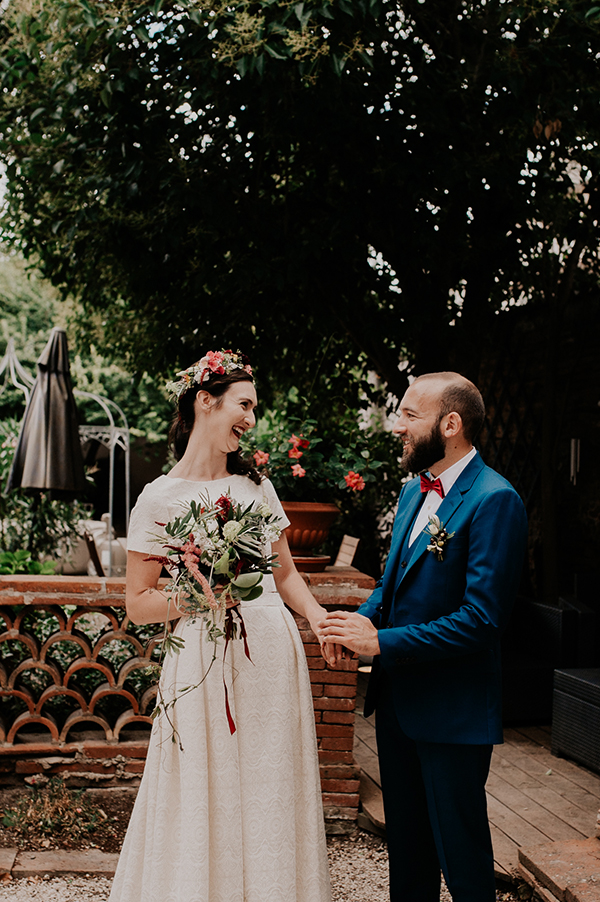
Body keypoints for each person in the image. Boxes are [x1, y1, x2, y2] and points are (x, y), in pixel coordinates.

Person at [109, 350, 333, 902]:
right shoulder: (158, 497)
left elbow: (284, 574)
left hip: (271, 656)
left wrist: (317, 616)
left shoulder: (257, 488)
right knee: (202, 786)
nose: (252, 420)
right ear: (205, 402)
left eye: (255, 408)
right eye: (244, 405)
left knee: (269, 783)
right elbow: (138, 604)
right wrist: (199, 595)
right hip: (203, 658)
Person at [318, 372, 528, 902]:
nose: (397, 426)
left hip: (453, 714)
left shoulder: (495, 500)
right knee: (407, 852)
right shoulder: (414, 492)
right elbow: (391, 589)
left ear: (450, 424)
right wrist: (355, 625)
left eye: (410, 415)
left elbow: (481, 621)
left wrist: (382, 644)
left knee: (463, 858)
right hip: (397, 707)